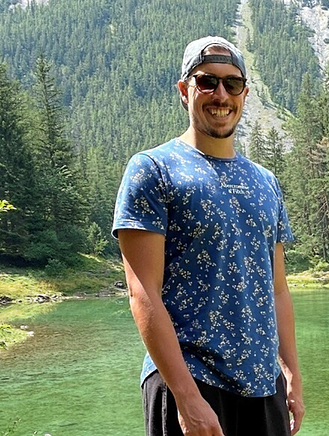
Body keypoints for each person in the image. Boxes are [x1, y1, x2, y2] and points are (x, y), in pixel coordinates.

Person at [112, 36, 304, 436]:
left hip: (263, 387)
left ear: (244, 93)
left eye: (232, 84)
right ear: (185, 90)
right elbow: (142, 291)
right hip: (189, 381)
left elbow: (278, 290)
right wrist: (185, 397)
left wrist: (291, 374)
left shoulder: (266, 183)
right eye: (207, 82)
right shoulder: (153, 169)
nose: (221, 94)